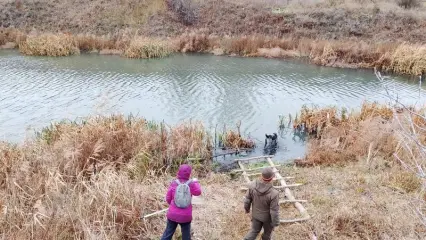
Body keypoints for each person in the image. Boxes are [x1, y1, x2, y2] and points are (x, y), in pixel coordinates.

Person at [161, 164, 202, 240]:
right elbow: (198, 192)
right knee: (186, 236)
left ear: (179, 172)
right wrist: (195, 182)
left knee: (167, 234)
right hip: (186, 216)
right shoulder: (191, 184)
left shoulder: (174, 183)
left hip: (172, 214)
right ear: (189, 173)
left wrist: (173, 205)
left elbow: (168, 198)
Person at [243, 167, 280, 240]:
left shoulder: (252, 185)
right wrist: (276, 223)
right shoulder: (274, 193)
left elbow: (247, 200)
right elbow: (274, 212)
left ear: (261, 176)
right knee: (267, 234)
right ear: (272, 178)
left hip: (255, 215)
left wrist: (247, 210)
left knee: (254, 231)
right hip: (267, 219)